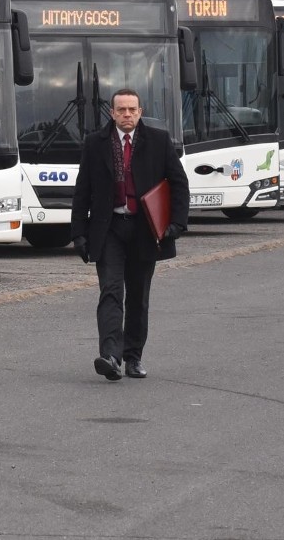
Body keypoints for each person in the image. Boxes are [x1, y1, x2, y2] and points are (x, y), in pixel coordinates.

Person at [70, 88, 189, 381]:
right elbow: (82, 191)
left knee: (138, 296)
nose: (126, 114)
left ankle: (133, 357)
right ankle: (111, 355)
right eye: (121, 109)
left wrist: (176, 224)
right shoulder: (95, 144)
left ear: (140, 112)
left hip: (144, 230)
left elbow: (179, 184)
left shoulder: (159, 142)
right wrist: (79, 234)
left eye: (131, 109)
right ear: (112, 113)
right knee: (110, 291)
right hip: (108, 228)